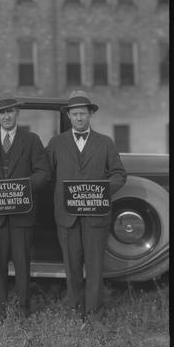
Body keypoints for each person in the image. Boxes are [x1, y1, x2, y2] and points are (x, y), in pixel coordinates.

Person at [46, 90, 126, 323]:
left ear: (90, 114)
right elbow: (48, 174)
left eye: (83, 113)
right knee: (71, 266)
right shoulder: (56, 143)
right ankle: (75, 310)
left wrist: (100, 192)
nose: (79, 118)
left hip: (96, 217)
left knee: (95, 266)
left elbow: (119, 174)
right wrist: (63, 194)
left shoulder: (106, 143)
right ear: (68, 116)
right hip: (67, 216)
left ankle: (94, 312)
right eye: (75, 114)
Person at [0, 97, 50, 319]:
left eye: (10, 111)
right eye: (2, 113)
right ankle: (0, 310)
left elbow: (43, 173)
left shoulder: (32, 139)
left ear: (17, 113)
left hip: (22, 213)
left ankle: (23, 309)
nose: (6, 116)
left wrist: (24, 187)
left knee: (22, 262)